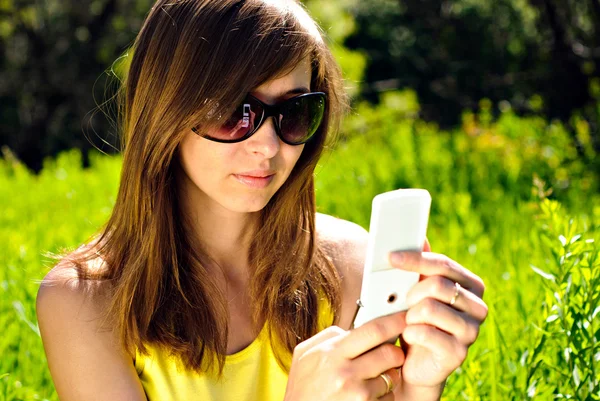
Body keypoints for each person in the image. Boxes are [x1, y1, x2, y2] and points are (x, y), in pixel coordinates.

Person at [36, 0, 488, 400]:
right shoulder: (85, 302)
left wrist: (419, 389)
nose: (269, 146)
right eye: (236, 111)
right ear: (166, 111)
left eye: (295, 112)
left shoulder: (351, 264)